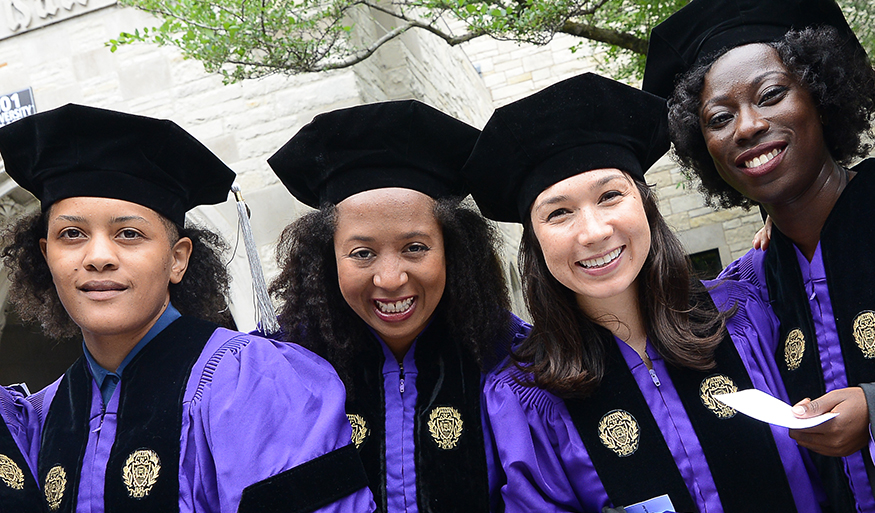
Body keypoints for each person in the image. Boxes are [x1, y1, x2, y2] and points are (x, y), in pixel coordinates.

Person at [464, 72, 822, 512]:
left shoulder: (746, 311)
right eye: (558, 213)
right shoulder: (524, 395)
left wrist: (783, 215)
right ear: (535, 243)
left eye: (610, 195)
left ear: (645, 204)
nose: (594, 232)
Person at [0, 104, 374, 513]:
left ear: (178, 259)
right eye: (71, 234)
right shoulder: (39, 419)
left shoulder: (250, 383)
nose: (98, 257)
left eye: (129, 233)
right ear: (45, 255)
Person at [643, 0, 875, 509]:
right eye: (720, 118)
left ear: (820, 97)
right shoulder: (756, 283)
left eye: (770, 95)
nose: (747, 127)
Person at [266, 100, 530, 513]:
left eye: (415, 248)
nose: (390, 279)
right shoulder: (281, 369)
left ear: (454, 251)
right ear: (326, 260)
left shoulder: (515, 360)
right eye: (362, 253)